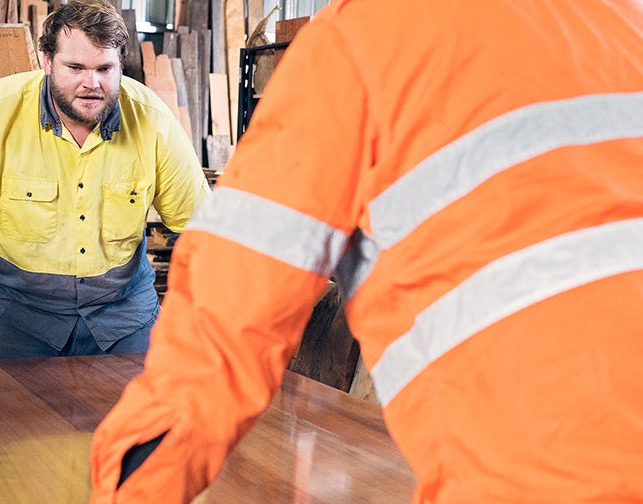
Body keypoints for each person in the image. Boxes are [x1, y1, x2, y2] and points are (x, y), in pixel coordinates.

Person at [89, 0, 643, 502]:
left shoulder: (359, 45)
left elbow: (221, 331)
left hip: (537, 477)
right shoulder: (622, 24)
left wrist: (132, 493)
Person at [0, 0, 210, 392]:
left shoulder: (152, 122)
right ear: (47, 61)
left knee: (136, 445)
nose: (93, 83)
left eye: (105, 69)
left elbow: (204, 235)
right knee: (7, 446)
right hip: (15, 320)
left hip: (123, 319)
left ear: (120, 64)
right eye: (76, 68)